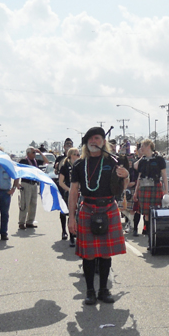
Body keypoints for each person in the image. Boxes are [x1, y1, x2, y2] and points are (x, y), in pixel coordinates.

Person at [68, 127, 129, 305]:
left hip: (109, 207)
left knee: (105, 254)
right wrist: (71, 217)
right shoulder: (80, 164)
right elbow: (73, 192)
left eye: (97, 138)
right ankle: (89, 291)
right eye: (90, 139)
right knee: (88, 255)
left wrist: (126, 176)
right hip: (87, 208)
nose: (94, 141)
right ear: (86, 144)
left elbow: (122, 187)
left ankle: (103, 290)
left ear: (103, 142)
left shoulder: (112, 161)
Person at [131, 140, 169, 242]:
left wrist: (166, 189)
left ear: (148, 146)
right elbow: (138, 175)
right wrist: (135, 192)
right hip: (143, 188)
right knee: (146, 214)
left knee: (154, 212)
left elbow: (164, 175)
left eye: (142, 146)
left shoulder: (159, 159)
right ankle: (149, 237)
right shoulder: (142, 161)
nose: (140, 149)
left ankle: (154, 235)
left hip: (155, 187)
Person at [18, 147, 47, 229]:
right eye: (33, 152)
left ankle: (30, 221)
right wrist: (16, 183)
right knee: (25, 203)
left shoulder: (35, 162)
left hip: (34, 184)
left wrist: (41, 153)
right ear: (28, 153)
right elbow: (18, 171)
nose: (35, 154)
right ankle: (21, 222)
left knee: (33, 203)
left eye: (35, 153)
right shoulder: (24, 161)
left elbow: (46, 162)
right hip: (26, 183)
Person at [58, 148, 79, 246]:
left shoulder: (79, 166)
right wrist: (70, 190)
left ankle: (73, 234)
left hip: (78, 192)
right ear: (70, 155)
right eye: (76, 154)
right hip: (67, 192)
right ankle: (64, 231)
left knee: (75, 213)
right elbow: (61, 182)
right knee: (65, 212)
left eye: (78, 154)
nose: (77, 156)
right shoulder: (65, 167)